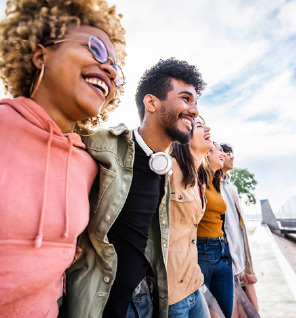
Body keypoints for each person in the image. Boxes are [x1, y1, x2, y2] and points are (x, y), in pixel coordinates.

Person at [0, 1, 125, 317]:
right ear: (40, 54)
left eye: (117, 68)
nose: (110, 69)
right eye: (95, 48)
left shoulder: (89, 164)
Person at [63, 58, 206, 318]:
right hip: (99, 302)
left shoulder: (164, 168)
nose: (194, 110)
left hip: (143, 300)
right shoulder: (101, 148)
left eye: (195, 102)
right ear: (151, 103)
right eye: (186, 98)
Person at [167, 116, 213, 318]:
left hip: (194, 282)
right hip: (172, 293)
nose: (208, 129)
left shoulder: (198, 179)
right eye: (200, 126)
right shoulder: (168, 168)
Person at [220, 144, 259, 317]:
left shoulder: (231, 188)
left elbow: (239, 229)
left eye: (231, 153)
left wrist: (247, 266)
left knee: (254, 311)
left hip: (240, 263)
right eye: (226, 153)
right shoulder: (212, 188)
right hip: (226, 264)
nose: (231, 156)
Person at [197, 143, 235, 318]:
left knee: (226, 312)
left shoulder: (216, 182)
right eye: (219, 150)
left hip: (222, 251)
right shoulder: (198, 179)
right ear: (207, 154)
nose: (223, 154)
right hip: (202, 251)